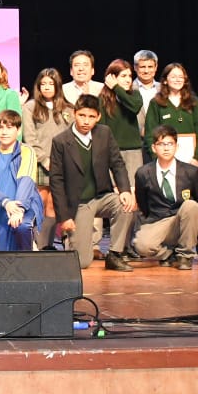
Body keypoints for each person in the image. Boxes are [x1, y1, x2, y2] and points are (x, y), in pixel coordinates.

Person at [48, 95, 136, 271]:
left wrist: (125, 190)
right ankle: (70, 241)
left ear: (98, 117)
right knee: (82, 262)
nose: (86, 121)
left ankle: (115, 254)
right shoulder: (61, 141)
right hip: (79, 203)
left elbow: (117, 163)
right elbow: (56, 181)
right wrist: (64, 216)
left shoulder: (104, 133)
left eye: (91, 116)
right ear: (74, 114)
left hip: (102, 196)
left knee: (125, 205)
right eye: (82, 115)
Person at [132, 125, 198, 269]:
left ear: (176, 147)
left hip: (182, 218)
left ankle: (185, 255)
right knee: (141, 246)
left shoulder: (190, 172)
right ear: (153, 148)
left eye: (170, 144)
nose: (166, 148)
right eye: (161, 144)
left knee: (191, 205)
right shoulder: (143, 173)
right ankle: (170, 254)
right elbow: (143, 203)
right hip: (158, 220)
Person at [21, 68, 73, 249]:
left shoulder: (68, 109)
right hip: (40, 163)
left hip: (62, 164)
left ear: (57, 85)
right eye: (43, 84)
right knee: (39, 202)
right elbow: (29, 137)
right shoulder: (30, 107)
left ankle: (47, 245)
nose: (47, 87)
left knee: (53, 204)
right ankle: (37, 244)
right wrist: (44, 159)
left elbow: (72, 137)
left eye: (51, 83)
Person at [0, 110, 43, 251]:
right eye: (0, 128)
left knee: (22, 227)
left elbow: (26, 181)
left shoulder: (27, 151)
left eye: (9, 128)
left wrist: (19, 209)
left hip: (26, 206)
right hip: (1, 208)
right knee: (4, 253)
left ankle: (28, 259)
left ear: (18, 130)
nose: (4, 132)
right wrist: (6, 202)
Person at [144, 63, 198, 165]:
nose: (178, 80)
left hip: (190, 160)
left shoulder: (193, 102)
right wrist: (156, 158)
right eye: (173, 77)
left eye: (181, 77)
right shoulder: (156, 102)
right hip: (163, 160)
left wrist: (196, 158)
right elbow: (150, 134)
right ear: (165, 80)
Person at [98, 59, 145, 186]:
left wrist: (116, 88)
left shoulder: (135, 95)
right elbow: (101, 128)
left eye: (129, 76)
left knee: (135, 187)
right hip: (113, 151)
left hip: (134, 151)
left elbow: (134, 107)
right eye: (123, 76)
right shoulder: (103, 99)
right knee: (116, 188)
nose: (128, 80)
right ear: (112, 77)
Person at [131, 49, 161, 140]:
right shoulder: (128, 89)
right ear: (135, 67)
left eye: (150, 66)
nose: (146, 71)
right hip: (136, 141)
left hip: (162, 140)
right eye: (142, 67)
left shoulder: (164, 89)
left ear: (156, 67)